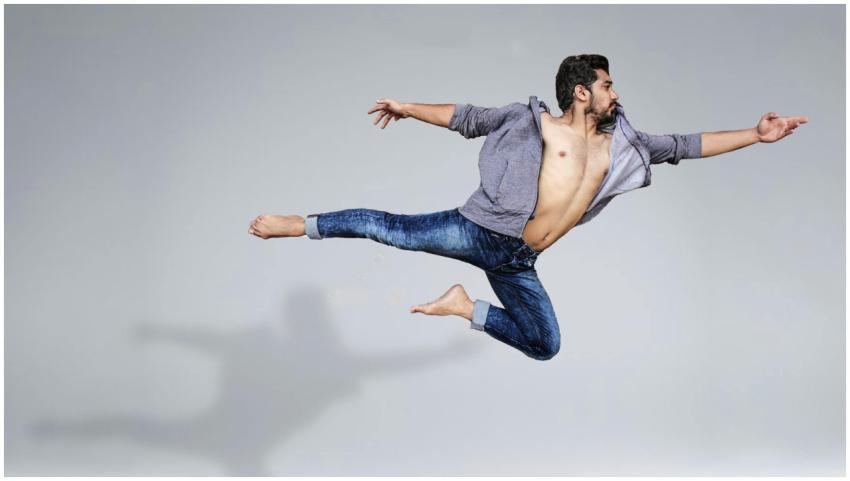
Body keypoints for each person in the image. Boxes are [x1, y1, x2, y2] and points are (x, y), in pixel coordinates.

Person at [248, 54, 808, 361]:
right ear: (581, 92)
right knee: (388, 229)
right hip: (478, 230)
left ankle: (463, 306)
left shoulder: (628, 144)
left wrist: (757, 137)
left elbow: (690, 144)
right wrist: (407, 106)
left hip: (519, 260)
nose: (617, 92)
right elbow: (464, 116)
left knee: (546, 345)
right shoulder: (528, 119)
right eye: (608, 84)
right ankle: (303, 224)